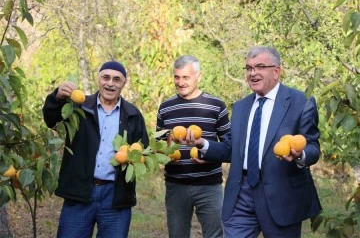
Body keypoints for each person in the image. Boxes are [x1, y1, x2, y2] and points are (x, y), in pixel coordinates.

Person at [185, 46, 322, 237]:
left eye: (259, 67)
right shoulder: (241, 107)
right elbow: (229, 148)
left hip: (281, 196)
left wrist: (301, 155)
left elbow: (313, 147)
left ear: (276, 71)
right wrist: (203, 144)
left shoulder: (300, 101)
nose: (253, 73)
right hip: (242, 193)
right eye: (249, 68)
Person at [43, 61, 149, 238]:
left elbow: (142, 149)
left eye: (116, 79)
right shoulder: (79, 106)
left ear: (124, 83)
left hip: (115, 197)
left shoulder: (133, 114)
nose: (110, 83)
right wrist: (58, 97)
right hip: (80, 192)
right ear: (98, 79)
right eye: (105, 77)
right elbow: (51, 119)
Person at [156, 55, 231, 238]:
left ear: (199, 77)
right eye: (177, 77)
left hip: (209, 185)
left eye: (186, 77)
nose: (180, 82)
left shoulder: (216, 106)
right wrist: (165, 151)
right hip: (176, 185)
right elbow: (159, 147)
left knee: (215, 235)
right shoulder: (165, 108)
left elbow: (229, 148)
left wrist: (208, 154)